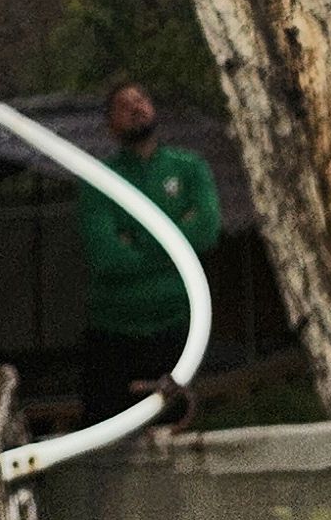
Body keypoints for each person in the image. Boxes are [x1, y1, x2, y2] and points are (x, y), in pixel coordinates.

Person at [76, 78, 222, 426]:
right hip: (113, 335)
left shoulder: (189, 168)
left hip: (176, 331)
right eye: (124, 106)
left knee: (176, 433)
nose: (136, 108)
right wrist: (174, 238)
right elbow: (107, 256)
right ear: (111, 125)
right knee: (107, 437)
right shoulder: (99, 179)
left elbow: (206, 232)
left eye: (142, 99)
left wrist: (136, 238)